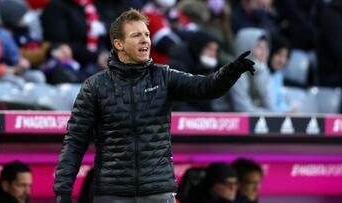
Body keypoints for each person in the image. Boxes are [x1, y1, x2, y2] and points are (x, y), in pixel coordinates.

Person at [54, 8, 255, 203]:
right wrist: (63, 190)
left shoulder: (164, 76)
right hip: (112, 194)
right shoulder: (95, 86)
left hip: (158, 193)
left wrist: (230, 72)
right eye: (136, 35)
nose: (145, 40)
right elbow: (75, 141)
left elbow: (206, 87)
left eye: (147, 34)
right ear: (119, 44)